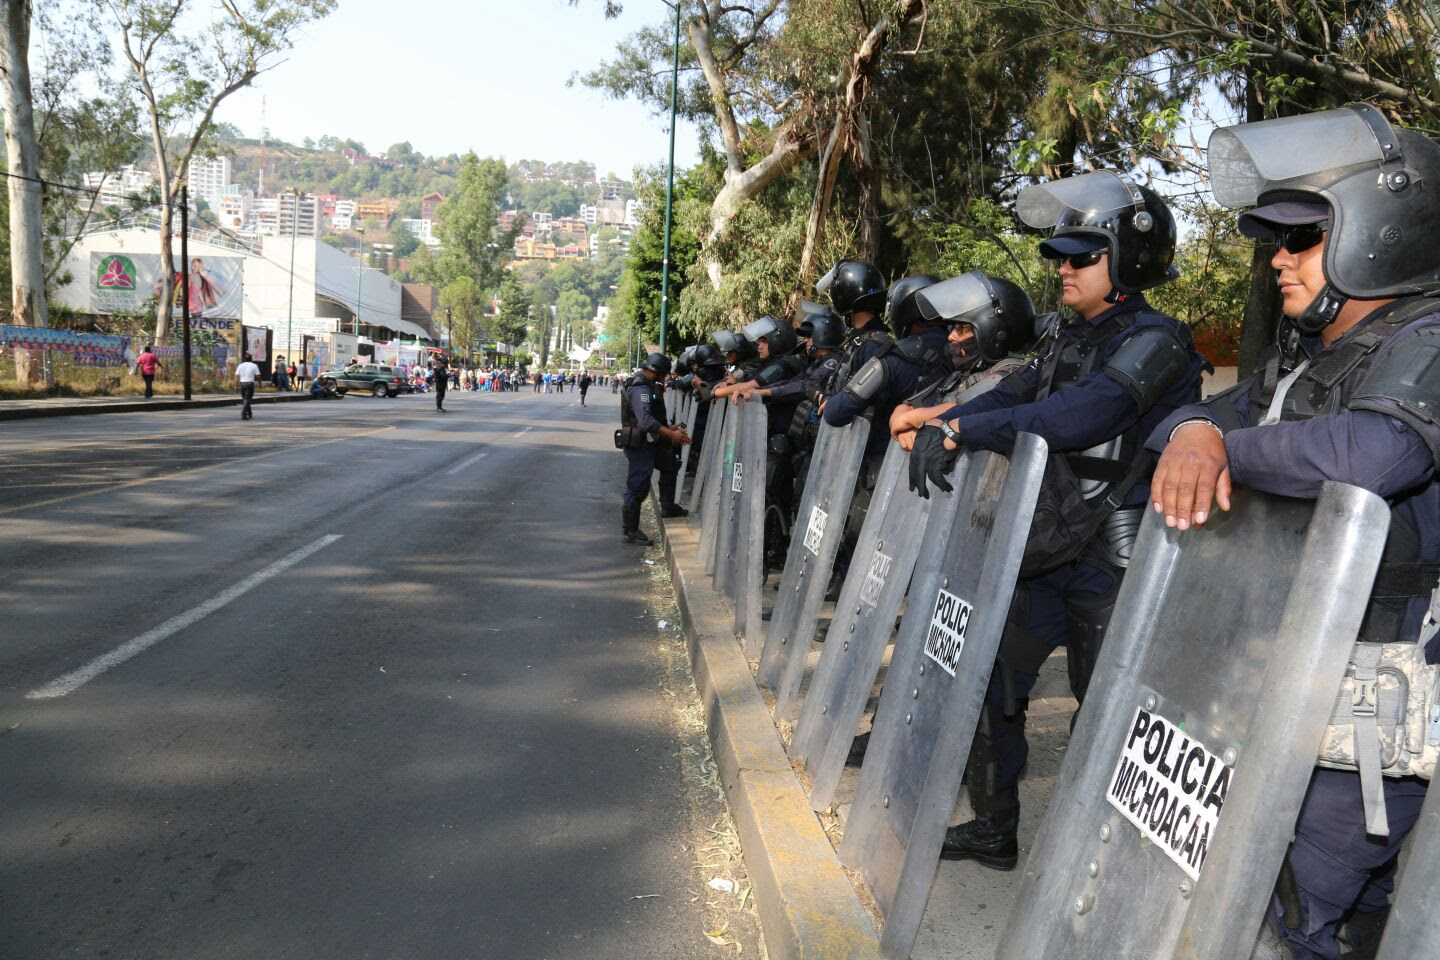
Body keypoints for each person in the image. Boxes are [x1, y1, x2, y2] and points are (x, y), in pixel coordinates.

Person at [1145, 105, 1440, 960]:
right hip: (1293, 671)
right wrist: (1194, 430)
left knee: (1283, 917)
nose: (1279, 257)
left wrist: (1224, 446)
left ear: (1380, 233)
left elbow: (1374, 452)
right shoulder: (1319, 354)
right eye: (1277, 240)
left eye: (1304, 237)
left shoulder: (1427, 341)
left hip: (1371, 700)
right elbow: (1187, 421)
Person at [895, 170, 1208, 870]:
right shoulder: (1066, 336)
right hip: (1046, 544)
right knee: (989, 677)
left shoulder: (1158, 339)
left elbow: (1084, 415)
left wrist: (965, 431)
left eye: (1081, 256)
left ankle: (1103, 871)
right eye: (1059, 257)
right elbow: (1010, 393)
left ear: (1129, 258)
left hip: (1115, 555)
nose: (1064, 268)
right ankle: (994, 827)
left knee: (1109, 710)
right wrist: (942, 421)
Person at [620, 353, 692, 543]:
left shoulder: (649, 385)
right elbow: (645, 421)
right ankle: (630, 531)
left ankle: (668, 506)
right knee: (637, 486)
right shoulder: (641, 388)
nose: (665, 378)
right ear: (657, 371)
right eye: (663, 374)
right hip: (640, 443)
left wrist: (670, 428)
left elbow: (653, 417)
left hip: (652, 441)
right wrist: (672, 434)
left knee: (670, 465)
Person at [236, 352, 261, 420]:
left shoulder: (240, 365)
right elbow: (258, 376)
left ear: (244, 359)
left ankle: (249, 413)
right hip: (249, 384)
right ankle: (243, 414)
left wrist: (236, 385)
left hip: (242, 384)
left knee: (245, 399)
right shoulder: (254, 366)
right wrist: (259, 384)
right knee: (247, 400)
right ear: (251, 359)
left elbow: (237, 376)